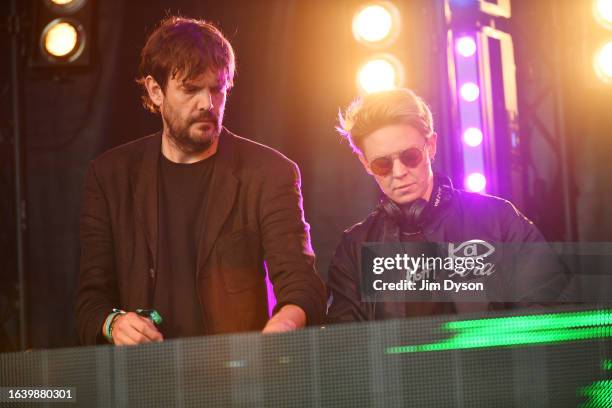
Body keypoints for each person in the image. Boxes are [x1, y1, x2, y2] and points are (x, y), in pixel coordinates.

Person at [75, 16, 326, 346]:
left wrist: (283, 325)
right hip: (144, 382)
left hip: (237, 379)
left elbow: (301, 283)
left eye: (217, 89)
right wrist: (114, 324)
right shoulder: (110, 176)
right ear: (155, 90)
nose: (208, 104)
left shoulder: (269, 173)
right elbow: (88, 302)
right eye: (191, 89)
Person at [326, 88, 569, 323]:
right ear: (366, 164)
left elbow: (546, 310)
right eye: (382, 164)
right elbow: (348, 348)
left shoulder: (498, 219)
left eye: (410, 156)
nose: (399, 172)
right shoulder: (354, 249)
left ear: (430, 146)